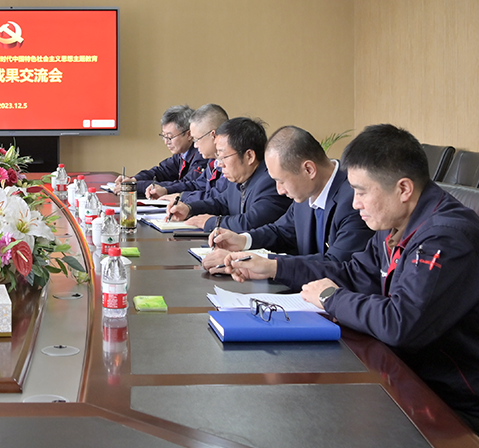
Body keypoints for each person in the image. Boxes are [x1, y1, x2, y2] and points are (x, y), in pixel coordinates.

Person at [217, 125, 479, 431]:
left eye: (362, 192)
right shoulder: (396, 224)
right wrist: (277, 267)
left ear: (404, 189)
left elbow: (400, 323)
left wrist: (331, 297)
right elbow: (353, 272)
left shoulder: (446, 237)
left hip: (451, 401)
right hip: (405, 376)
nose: (355, 203)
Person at [201, 125, 373, 270]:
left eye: (281, 181)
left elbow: (336, 264)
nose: (279, 190)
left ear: (309, 170)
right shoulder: (307, 190)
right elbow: (281, 231)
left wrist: (266, 264)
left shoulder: (354, 200)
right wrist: (243, 240)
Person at [167, 117, 291, 232]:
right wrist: (189, 209)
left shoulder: (271, 182)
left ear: (249, 156)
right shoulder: (238, 178)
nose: (219, 164)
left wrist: (211, 222)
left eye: (224, 156)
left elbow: (250, 223)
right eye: (218, 156)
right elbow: (220, 203)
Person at [116, 105, 208, 197]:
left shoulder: (202, 155)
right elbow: (162, 171)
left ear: (189, 134)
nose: (166, 142)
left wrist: (136, 186)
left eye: (170, 137)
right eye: (164, 136)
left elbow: (187, 184)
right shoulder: (182, 153)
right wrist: (134, 180)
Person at [161, 103, 230, 203]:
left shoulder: (230, 163)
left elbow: (217, 198)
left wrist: (182, 197)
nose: (195, 145)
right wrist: (167, 190)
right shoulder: (213, 161)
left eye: (197, 139)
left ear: (213, 135)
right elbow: (198, 185)